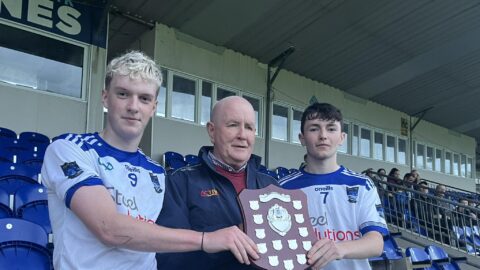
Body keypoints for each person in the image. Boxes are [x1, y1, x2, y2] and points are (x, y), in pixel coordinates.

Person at [41, 51, 258, 270]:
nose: (133, 107)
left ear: (153, 107)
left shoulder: (157, 173)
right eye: (123, 94)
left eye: (144, 98)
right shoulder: (69, 149)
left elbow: (164, 239)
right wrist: (206, 239)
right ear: (105, 97)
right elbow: (107, 228)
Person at [156, 96, 278, 269]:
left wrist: (314, 254)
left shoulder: (272, 187)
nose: (242, 135)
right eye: (233, 125)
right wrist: (220, 240)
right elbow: (169, 258)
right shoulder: (179, 182)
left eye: (249, 127)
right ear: (212, 131)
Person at [279, 102, 387, 270]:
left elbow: (376, 243)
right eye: (314, 129)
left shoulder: (362, 184)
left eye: (331, 128)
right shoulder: (283, 188)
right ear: (302, 138)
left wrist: (340, 249)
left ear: (342, 137)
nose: (323, 135)